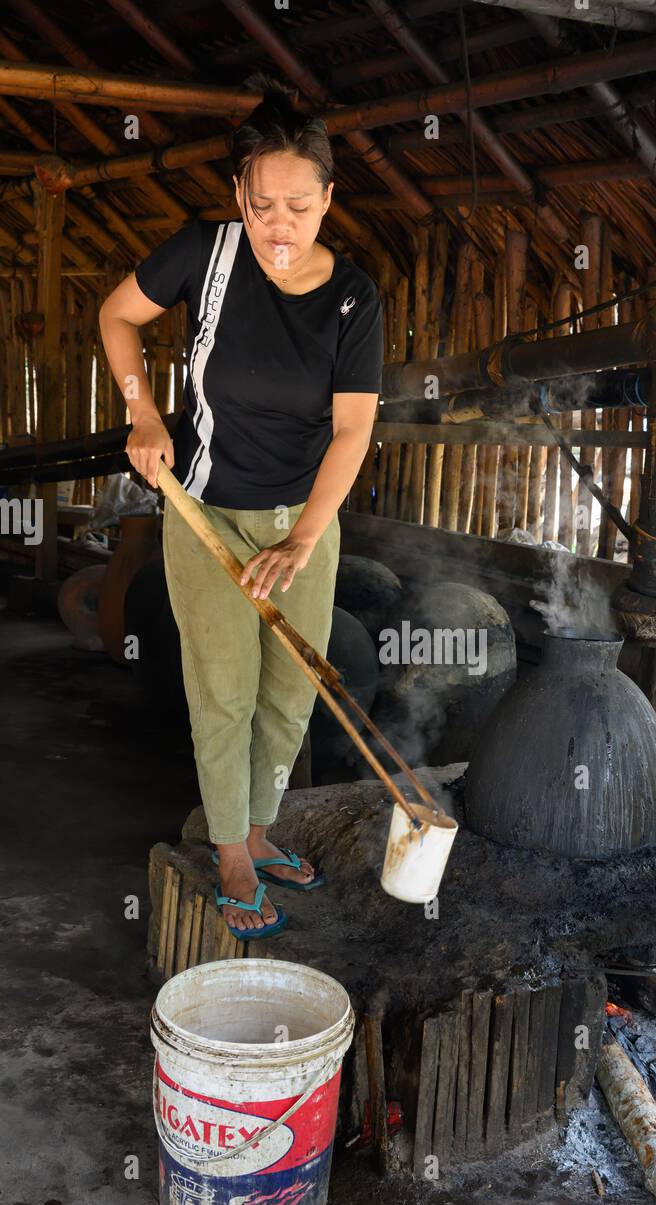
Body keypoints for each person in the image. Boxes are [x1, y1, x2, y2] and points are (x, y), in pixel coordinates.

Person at [99, 79, 384, 940]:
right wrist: (143, 411)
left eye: (300, 206)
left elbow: (351, 432)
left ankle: (261, 836)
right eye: (263, 205)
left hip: (305, 519)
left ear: (329, 199)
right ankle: (229, 851)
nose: (280, 225)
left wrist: (303, 538)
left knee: (291, 692)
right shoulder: (204, 254)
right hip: (205, 513)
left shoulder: (353, 300)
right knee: (222, 691)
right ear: (238, 197)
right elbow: (117, 316)